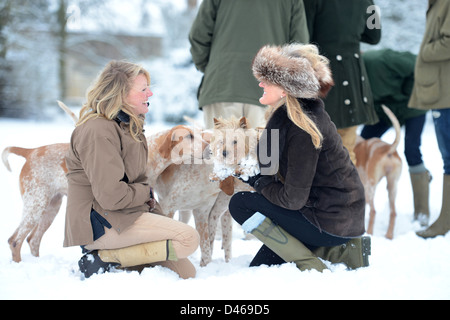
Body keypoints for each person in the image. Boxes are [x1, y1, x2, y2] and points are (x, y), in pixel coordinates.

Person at [228, 43, 370, 272]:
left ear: (286, 88)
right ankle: (330, 251)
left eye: (268, 80)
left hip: (330, 222)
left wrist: (258, 182)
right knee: (260, 267)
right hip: (335, 217)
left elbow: (292, 199)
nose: (261, 83)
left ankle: (312, 265)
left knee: (241, 203)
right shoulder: (298, 115)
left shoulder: (302, 127)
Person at [63, 60, 200, 279]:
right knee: (188, 239)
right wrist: (145, 194)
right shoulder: (98, 131)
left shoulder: (128, 127)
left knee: (185, 273)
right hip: (102, 223)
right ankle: (102, 259)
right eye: (143, 89)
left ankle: (118, 262)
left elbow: (137, 179)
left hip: (128, 215)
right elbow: (111, 196)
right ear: (120, 94)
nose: (150, 94)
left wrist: (149, 205)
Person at [188, 0, 309, 129]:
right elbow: (299, 49)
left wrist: (211, 68)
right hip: (270, 94)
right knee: (269, 148)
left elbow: (198, 35)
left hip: (223, 84)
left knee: (221, 148)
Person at [303, 0, 381, 163]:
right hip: (353, 80)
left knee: (314, 153)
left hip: (321, 78)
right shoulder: (368, 1)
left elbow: (304, 38)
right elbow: (374, 35)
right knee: (346, 154)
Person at [361, 49, 430, 226]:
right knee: (363, 143)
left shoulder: (380, 59)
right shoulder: (350, 78)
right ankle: (357, 203)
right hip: (386, 111)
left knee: (411, 149)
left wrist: (407, 90)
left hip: (413, 106)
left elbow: (419, 65)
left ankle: (422, 211)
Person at [409, 0, 450, 239]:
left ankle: (445, 220)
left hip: (445, 93)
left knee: (449, 158)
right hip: (441, 91)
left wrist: (425, 51)